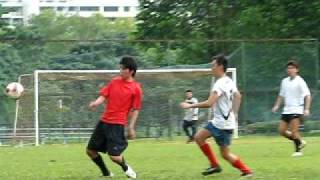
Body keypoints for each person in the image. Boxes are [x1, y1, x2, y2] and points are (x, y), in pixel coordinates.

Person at [180, 55, 252, 177]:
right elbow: (238, 96)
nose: (211, 68)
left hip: (221, 124)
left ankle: (246, 171)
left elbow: (209, 103)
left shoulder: (219, 84)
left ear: (220, 66)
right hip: (222, 122)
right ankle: (216, 165)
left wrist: (190, 106)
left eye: (213, 65)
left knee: (225, 154)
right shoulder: (229, 81)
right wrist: (234, 114)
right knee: (199, 138)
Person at [86, 56, 143, 178]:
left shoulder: (136, 89)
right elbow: (103, 95)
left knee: (114, 156)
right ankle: (106, 173)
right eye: (120, 68)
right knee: (90, 151)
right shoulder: (114, 81)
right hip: (104, 121)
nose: (120, 71)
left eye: (123, 69)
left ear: (131, 71)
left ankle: (126, 167)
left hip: (117, 124)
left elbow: (136, 109)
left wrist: (131, 127)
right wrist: (96, 102)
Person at [272, 60, 311, 157]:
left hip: (297, 109)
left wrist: (306, 108)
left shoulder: (300, 81)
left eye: (292, 68)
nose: (290, 70)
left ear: (297, 70)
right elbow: (281, 95)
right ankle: (300, 141)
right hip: (286, 110)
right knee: (281, 131)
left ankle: (298, 151)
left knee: (294, 131)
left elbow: (308, 95)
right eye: (288, 68)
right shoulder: (284, 81)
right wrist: (277, 105)